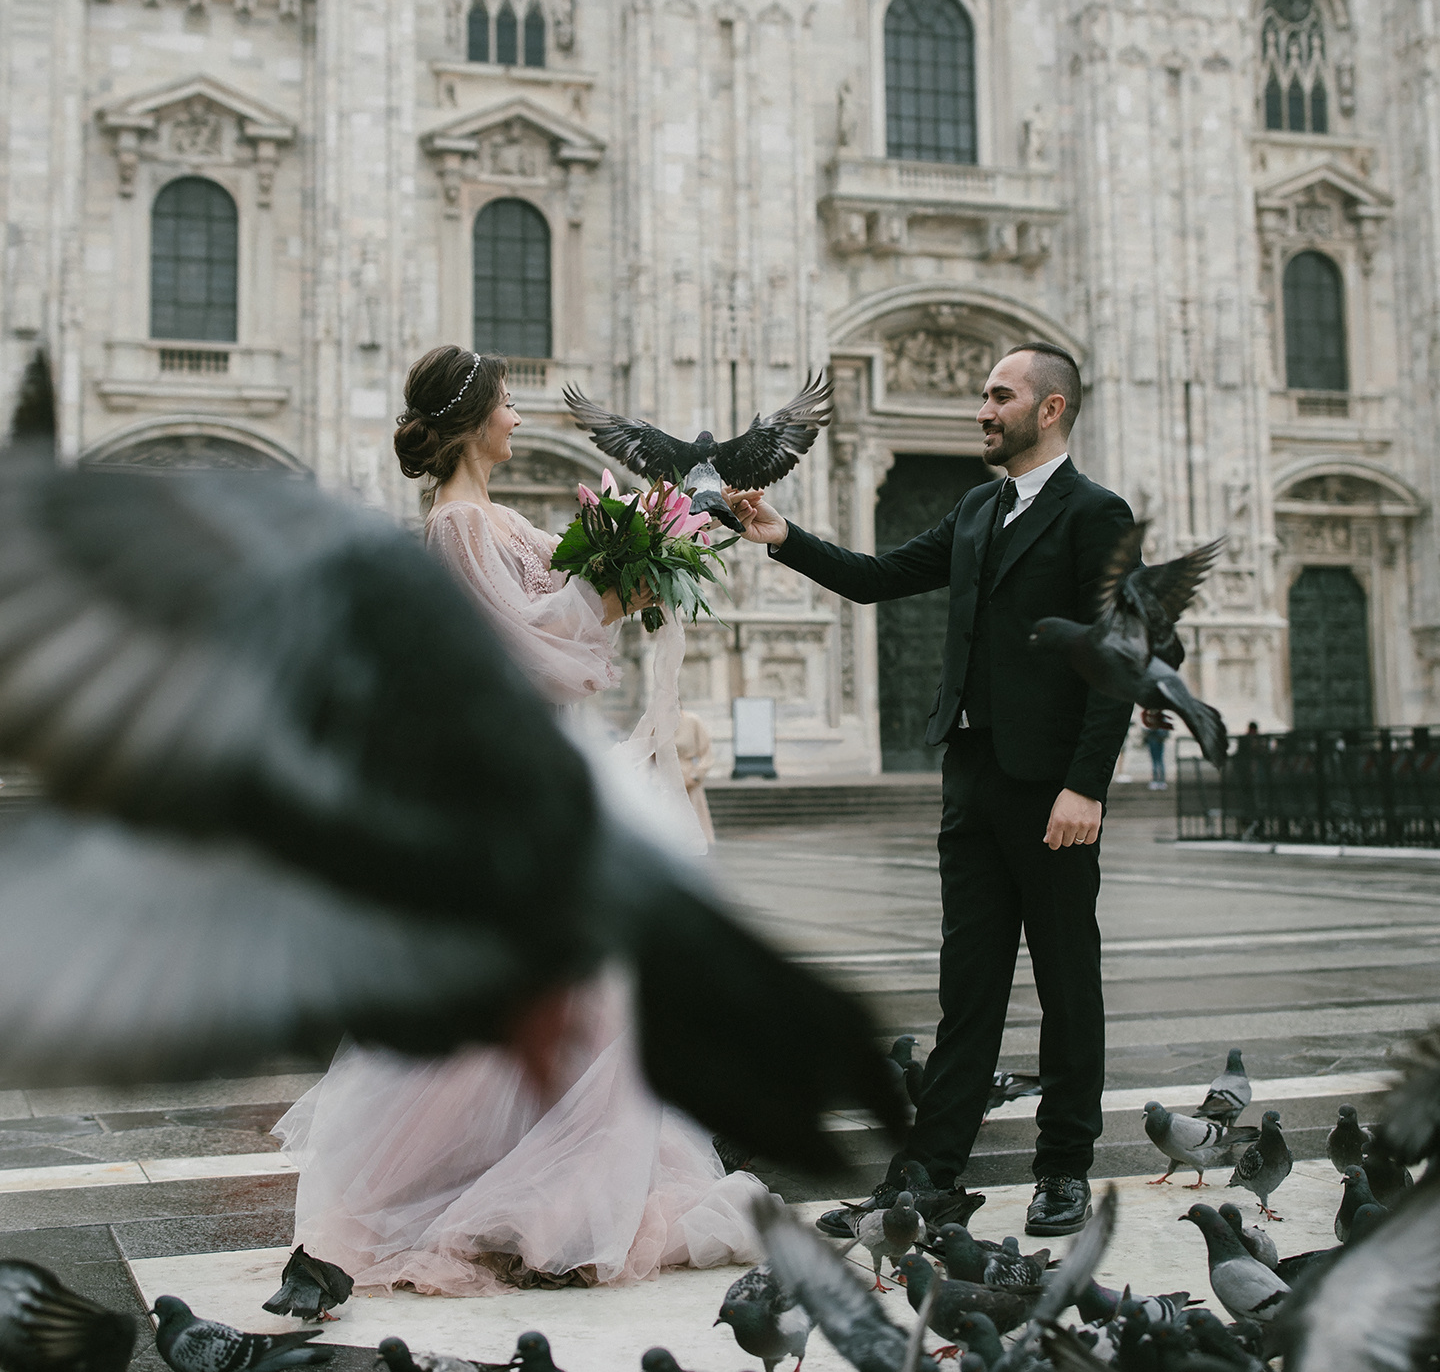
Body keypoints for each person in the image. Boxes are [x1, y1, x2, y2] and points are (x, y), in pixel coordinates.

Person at [276, 345, 764, 1294]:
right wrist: (611, 586)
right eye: (505, 403)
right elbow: (531, 646)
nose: (516, 416)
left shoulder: (496, 519)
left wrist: (663, 545)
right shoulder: (455, 528)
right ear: (470, 422)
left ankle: (552, 1181)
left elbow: (574, 609)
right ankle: (508, 1189)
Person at [728, 344, 1133, 1237]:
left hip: (1052, 790)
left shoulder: (1096, 514)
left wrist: (1086, 787)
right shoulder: (979, 508)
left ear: (1052, 408)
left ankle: (1063, 1166)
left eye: (1000, 396)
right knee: (969, 987)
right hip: (974, 777)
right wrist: (783, 538)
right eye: (984, 395)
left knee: (1068, 984)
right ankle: (931, 1172)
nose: (983, 410)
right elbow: (878, 581)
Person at [674, 708, 716, 845]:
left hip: (689, 781)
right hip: (664, 780)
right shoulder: (656, 723)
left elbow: (707, 753)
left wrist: (695, 776)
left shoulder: (692, 721)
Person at [1141, 709, 1172, 789]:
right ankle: (1161, 780)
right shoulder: (1161, 717)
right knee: (1159, 760)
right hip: (1159, 740)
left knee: (1155, 761)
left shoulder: (1152, 717)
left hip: (1153, 740)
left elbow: (1148, 728)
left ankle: (1156, 780)